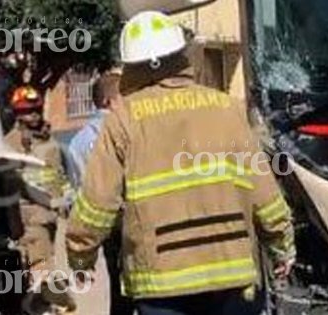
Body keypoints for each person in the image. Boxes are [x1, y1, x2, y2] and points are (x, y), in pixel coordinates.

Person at [65, 11, 296, 315]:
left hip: (161, 283)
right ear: (180, 56)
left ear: (131, 66)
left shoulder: (123, 119)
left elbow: (97, 201)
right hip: (232, 275)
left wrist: (81, 256)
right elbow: (264, 193)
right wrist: (282, 246)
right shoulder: (227, 109)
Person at [64, 73, 135, 315]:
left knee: (118, 287)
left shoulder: (77, 142)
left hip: (107, 228)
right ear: (109, 101)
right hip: (135, 221)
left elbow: (79, 192)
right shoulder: (129, 131)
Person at [4, 84, 75, 315]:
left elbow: (57, 175)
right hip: (30, 222)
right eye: (27, 110)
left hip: (50, 219)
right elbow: (11, 187)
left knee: (43, 266)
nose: (33, 114)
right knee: (41, 269)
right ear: (17, 114)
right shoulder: (11, 144)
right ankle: (49, 305)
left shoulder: (47, 140)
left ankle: (41, 305)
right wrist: (15, 224)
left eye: (36, 108)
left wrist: (66, 200)